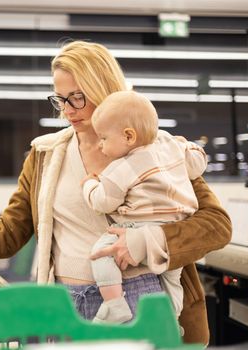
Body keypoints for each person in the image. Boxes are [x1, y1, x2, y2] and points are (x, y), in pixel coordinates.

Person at [0, 41, 231, 344]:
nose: (67, 111)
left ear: (105, 88)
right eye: (60, 99)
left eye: (77, 98)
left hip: (140, 299)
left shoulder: (154, 148)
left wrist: (144, 242)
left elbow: (216, 224)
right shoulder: (45, 155)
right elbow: (7, 234)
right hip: (65, 303)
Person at [81, 91, 207, 324]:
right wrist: (188, 146)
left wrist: (89, 184)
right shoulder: (170, 144)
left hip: (139, 226)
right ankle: (171, 321)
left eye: (104, 138)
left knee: (100, 254)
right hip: (174, 232)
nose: (100, 146)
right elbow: (197, 165)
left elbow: (102, 202)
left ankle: (114, 304)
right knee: (171, 280)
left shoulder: (124, 166)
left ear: (129, 136)